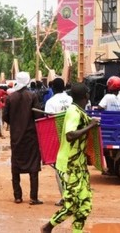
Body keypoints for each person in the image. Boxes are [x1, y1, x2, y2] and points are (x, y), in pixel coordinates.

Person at [41, 83, 101, 233]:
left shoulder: (79, 111)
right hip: (69, 164)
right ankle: (48, 227)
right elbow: (69, 135)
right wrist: (90, 126)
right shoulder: (73, 112)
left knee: (85, 205)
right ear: (86, 96)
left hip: (79, 165)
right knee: (72, 204)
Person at [3, 71, 43, 205]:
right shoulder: (33, 96)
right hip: (31, 137)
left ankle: (18, 196)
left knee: (16, 166)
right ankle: (33, 197)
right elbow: (38, 116)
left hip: (16, 137)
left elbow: (5, 117)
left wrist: (15, 124)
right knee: (33, 167)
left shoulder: (10, 98)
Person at [43, 77, 73, 207]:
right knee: (72, 167)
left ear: (53, 88)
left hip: (59, 139)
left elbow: (49, 122)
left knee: (60, 169)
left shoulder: (51, 102)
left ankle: (65, 197)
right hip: (74, 136)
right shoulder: (71, 99)